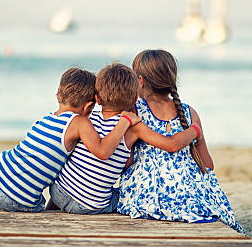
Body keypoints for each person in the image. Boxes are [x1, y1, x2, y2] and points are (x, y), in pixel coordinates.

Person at [117, 49, 244, 233]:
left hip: (149, 194)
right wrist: (195, 135)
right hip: (192, 191)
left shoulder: (135, 112)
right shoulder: (189, 112)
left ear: (141, 81)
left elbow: (126, 162)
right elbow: (207, 165)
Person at [0, 67, 141, 212]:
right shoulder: (79, 123)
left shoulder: (46, 119)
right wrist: (124, 122)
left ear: (59, 94)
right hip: (17, 197)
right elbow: (103, 151)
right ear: (88, 107)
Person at [48, 62, 200, 214]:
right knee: (123, 196)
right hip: (89, 206)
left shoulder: (86, 118)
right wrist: (194, 130)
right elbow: (171, 144)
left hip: (58, 193)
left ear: (97, 100)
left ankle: (49, 211)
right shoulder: (132, 127)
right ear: (135, 100)